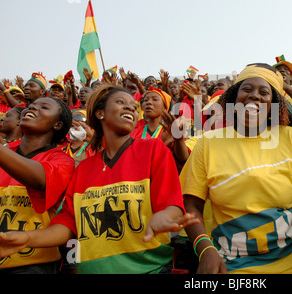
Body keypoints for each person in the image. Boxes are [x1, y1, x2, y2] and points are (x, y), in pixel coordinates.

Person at [0, 85, 199, 274]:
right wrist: (27, 238)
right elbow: (67, 225)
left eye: (133, 105)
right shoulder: (83, 169)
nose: (130, 106)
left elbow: (172, 204)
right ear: (100, 113)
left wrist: (164, 216)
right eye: (121, 102)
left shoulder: (153, 150)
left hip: (149, 268)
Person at [181, 63, 292, 274]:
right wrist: (205, 248)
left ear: (274, 104)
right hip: (231, 265)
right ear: (234, 96)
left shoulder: (291, 138)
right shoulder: (208, 143)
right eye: (247, 89)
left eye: (264, 92)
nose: (255, 96)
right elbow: (191, 203)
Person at [0, 97, 75, 273]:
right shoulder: (6, 152)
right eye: (31, 106)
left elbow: (38, 179)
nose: (32, 107)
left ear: (57, 125)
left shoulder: (63, 161)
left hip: (33, 264)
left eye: (44, 107)